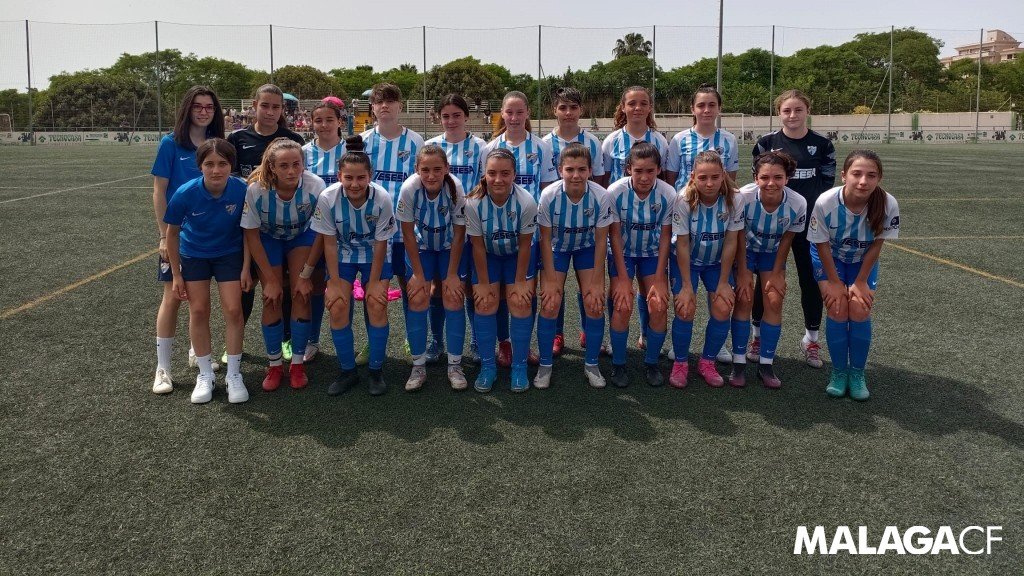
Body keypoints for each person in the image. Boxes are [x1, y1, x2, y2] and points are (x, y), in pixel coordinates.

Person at [751, 89, 837, 369]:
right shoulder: (766, 143)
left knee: (810, 281)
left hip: (810, 226)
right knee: (763, 282)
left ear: (807, 111)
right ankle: (758, 336)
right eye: (787, 110)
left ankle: (811, 339)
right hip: (771, 226)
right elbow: (760, 182)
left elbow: (826, 186)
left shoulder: (822, 145)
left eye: (798, 110)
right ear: (779, 113)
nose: (792, 115)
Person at [162, 138, 250, 404]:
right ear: (199, 166)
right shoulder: (185, 193)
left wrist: (247, 267)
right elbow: (172, 234)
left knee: (234, 310)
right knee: (198, 310)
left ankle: (234, 374)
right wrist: (176, 274)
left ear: (231, 165)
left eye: (222, 163)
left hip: (229, 255)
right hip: (195, 256)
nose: (216, 170)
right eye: (209, 164)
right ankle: (204, 374)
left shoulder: (242, 190)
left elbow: (249, 231)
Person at [151, 85, 226, 394]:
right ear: (188, 109)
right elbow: (159, 190)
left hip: (209, 237)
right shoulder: (171, 144)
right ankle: (163, 369)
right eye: (198, 106)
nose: (204, 111)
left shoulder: (217, 145)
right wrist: (162, 235)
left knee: (201, 300)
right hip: (177, 236)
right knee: (172, 297)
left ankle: (198, 350)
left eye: (209, 106)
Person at [807, 150, 899, 401]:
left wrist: (860, 281)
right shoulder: (826, 202)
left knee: (859, 309)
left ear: (879, 178)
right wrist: (834, 283)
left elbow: (877, 244)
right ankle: (838, 372)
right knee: (837, 307)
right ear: (844, 175)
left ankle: (857, 373)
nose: (863, 181)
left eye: (871, 175)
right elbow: (822, 245)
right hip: (829, 258)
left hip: (862, 262)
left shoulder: (888, 203)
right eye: (856, 174)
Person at [310, 136, 397, 396]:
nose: (355, 184)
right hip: (343, 255)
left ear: (370, 175)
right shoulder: (327, 197)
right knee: (337, 306)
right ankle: (347, 371)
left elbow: (381, 243)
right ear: (340, 176)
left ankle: (376, 371)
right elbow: (329, 243)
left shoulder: (382, 198)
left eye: (361, 178)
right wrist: (334, 283)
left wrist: (374, 283)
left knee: (376, 303)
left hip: (374, 255)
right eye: (348, 178)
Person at [345, 82, 424, 365]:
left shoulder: (416, 142)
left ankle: (411, 338)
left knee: (409, 286)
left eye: (391, 101)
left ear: (400, 107)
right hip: (371, 231)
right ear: (373, 108)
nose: (385, 106)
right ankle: (371, 341)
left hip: (405, 228)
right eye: (380, 102)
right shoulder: (362, 141)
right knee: (373, 288)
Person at [227, 84, 305, 365]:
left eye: (276, 107)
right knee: (245, 284)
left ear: (282, 110)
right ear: (254, 106)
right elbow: (231, 180)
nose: (270, 112)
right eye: (265, 106)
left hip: (282, 227)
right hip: (246, 223)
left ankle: (285, 339)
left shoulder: (292, 139)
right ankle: (235, 341)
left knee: (283, 282)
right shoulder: (237, 139)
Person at [241, 138, 326, 393]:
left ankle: (297, 364)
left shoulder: (315, 186)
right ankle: (275, 364)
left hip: (302, 237)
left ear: (304, 164)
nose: (291, 171)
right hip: (268, 239)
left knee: (301, 293)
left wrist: (306, 274)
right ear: (272, 167)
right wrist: (271, 280)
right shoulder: (257, 189)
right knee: (272, 298)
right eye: (284, 166)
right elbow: (252, 235)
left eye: (296, 164)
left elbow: (322, 232)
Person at [664, 83, 740, 364]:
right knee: (684, 295)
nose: (706, 110)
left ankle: (715, 345)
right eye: (701, 105)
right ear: (693, 109)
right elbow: (671, 177)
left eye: (712, 105)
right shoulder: (680, 139)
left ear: (719, 109)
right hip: (686, 213)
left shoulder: (729, 140)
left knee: (718, 295)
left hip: (716, 219)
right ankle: (680, 346)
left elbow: (730, 178)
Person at [482, 90, 556, 368]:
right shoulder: (488, 149)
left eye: (519, 112)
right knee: (500, 293)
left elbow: (547, 191)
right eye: (509, 112)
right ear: (502, 113)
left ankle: (524, 345)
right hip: (494, 233)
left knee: (526, 291)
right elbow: (485, 188)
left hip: (529, 233)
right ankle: (505, 345)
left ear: (527, 114)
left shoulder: (541, 147)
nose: (514, 117)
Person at [536, 143, 613, 390]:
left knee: (594, 301)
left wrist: (597, 282)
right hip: (557, 248)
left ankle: (591, 364)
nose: (576, 175)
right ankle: (545, 365)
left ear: (591, 170)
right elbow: (545, 240)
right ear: (560, 170)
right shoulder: (549, 196)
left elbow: (602, 241)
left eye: (582, 169)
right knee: (549, 302)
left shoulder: (601, 196)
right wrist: (548, 279)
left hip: (587, 248)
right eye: (570, 169)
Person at [729, 151, 807, 388]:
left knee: (774, 299)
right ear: (755, 178)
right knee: (744, 298)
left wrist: (776, 273)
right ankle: (739, 363)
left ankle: (766, 364)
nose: (771, 183)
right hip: (746, 251)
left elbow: (787, 239)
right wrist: (742, 271)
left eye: (778, 177)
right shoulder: (743, 197)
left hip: (773, 254)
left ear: (787, 178)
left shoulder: (798, 203)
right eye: (765, 177)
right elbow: (738, 234)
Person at [464, 148, 539, 393]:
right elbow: (476, 246)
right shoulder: (473, 203)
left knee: (519, 301)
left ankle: (519, 366)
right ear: (484, 174)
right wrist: (484, 284)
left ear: (514, 174)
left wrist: (519, 282)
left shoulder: (526, 201)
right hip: (487, 255)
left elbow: (526, 245)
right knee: (484, 303)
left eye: (505, 173)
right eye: (492, 173)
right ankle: (488, 366)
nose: (498, 179)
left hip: (517, 255)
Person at [601, 86, 669, 353]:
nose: (637, 108)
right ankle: (612, 339)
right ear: (623, 107)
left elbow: (664, 183)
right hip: (622, 228)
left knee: (650, 292)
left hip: (650, 233)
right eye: (632, 103)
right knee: (619, 294)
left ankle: (645, 334)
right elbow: (603, 181)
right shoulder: (611, 141)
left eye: (643, 103)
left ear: (649, 107)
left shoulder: (660, 141)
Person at [668, 150, 744, 389]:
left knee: (722, 305)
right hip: (687, 262)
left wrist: (723, 282)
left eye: (714, 177)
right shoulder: (683, 200)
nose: (709, 183)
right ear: (693, 177)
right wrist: (687, 287)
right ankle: (680, 363)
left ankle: (707, 362)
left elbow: (732, 241)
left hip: (716, 264)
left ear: (723, 175)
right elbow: (681, 244)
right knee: (685, 307)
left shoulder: (735, 198)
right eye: (703, 178)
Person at [397, 144, 469, 391]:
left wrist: (451, 274)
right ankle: (418, 367)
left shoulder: (455, 188)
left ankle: (455, 365)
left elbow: (460, 233)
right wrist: (418, 274)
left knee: (453, 297)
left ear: (447, 168)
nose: (431, 175)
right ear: (417, 169)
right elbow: (406, 233)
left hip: (450, 247)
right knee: (417, 297)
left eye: (437, 169)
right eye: (425, 169)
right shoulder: (409, 188)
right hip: (422, 247)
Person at [606, 142, 676, 388]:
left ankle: (651, 363)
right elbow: (614, 236)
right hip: (623, 253)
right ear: (628, 170)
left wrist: (659, 279)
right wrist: (623, 279)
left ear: (658, 169)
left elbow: (666, 236)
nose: (644, 177)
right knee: (622, 305)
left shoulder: (668, 194)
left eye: (650, 171)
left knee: (658, 305)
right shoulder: (614, 192)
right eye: (638, 171)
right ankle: (619, 364)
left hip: (652, 254)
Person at [542, 86, 606, 356]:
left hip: (587, 235)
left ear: (581, 110)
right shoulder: (545, 144)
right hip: (556, 233)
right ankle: (557, 335)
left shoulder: (592, 142)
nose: (568, 113)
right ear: (554, 111)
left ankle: (585, 330)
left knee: (588, 287)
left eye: (573, 107)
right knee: (552, 291)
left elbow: (600, 181)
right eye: (563, 107)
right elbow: (546, 184)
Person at [425, 94, 488, 365]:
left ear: (466, 117)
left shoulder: (480, 146)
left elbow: (486, 182)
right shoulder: (430, 145)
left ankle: (475, 342)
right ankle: (436, 341)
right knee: (437, 287)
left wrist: (467, 204)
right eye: (446, 116)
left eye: (456, 115)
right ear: (439, 118)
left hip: (472, 227)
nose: (451, 121)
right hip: (437, 229)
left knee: (471, 287)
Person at [300, 100, 347, 363]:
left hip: (347, 232)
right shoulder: (304, 153)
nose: (324, 125)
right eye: (318, 120)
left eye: (330, 119)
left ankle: (348, 342)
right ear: (311, 123)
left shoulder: (352, 150)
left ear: (340, 122)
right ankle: (312, 340)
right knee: (316, 285)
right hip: (312, 231)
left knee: (346, 287)